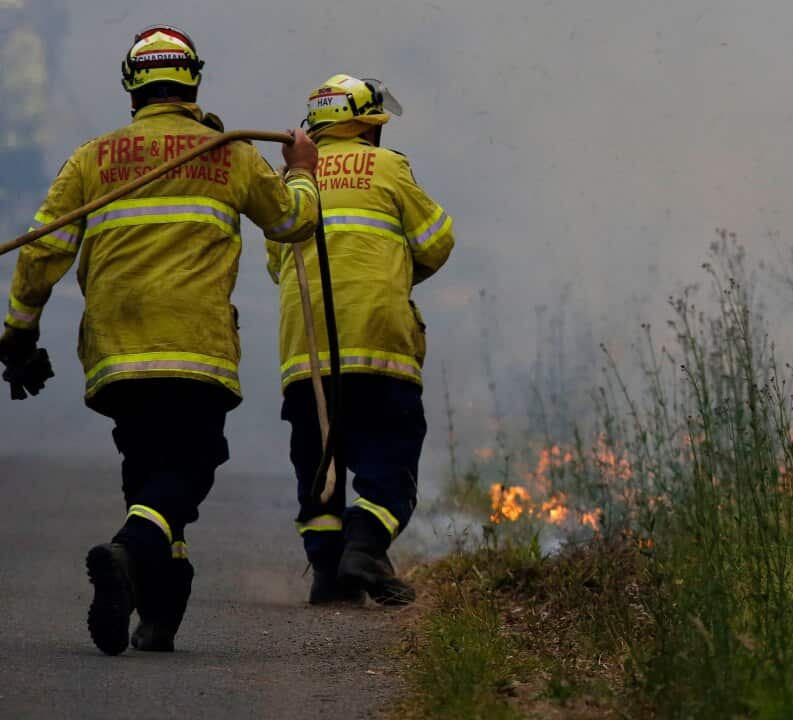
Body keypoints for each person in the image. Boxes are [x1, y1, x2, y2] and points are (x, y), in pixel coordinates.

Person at [0, 25, 320, 655]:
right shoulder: (230, 153)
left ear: (131, 86)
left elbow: (41, 252)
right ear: (193, 80)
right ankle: (127, 553)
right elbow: (294, 223)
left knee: (149, 475)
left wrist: (18, 335)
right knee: (188, 469)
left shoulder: (91, 159)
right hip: (194, 349)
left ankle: (157, 617)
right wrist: (303, 172)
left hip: (116, 354)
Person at [267, 73, 454, 606]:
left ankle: (328, 575)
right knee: (390, 456)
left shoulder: (291, 181)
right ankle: (366, 545)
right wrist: (390, 270)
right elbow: (436, 242)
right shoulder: (390, 167)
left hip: (306, 351)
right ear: (369, 127)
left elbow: (276, 264)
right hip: (379, 346)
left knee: (318, 466)